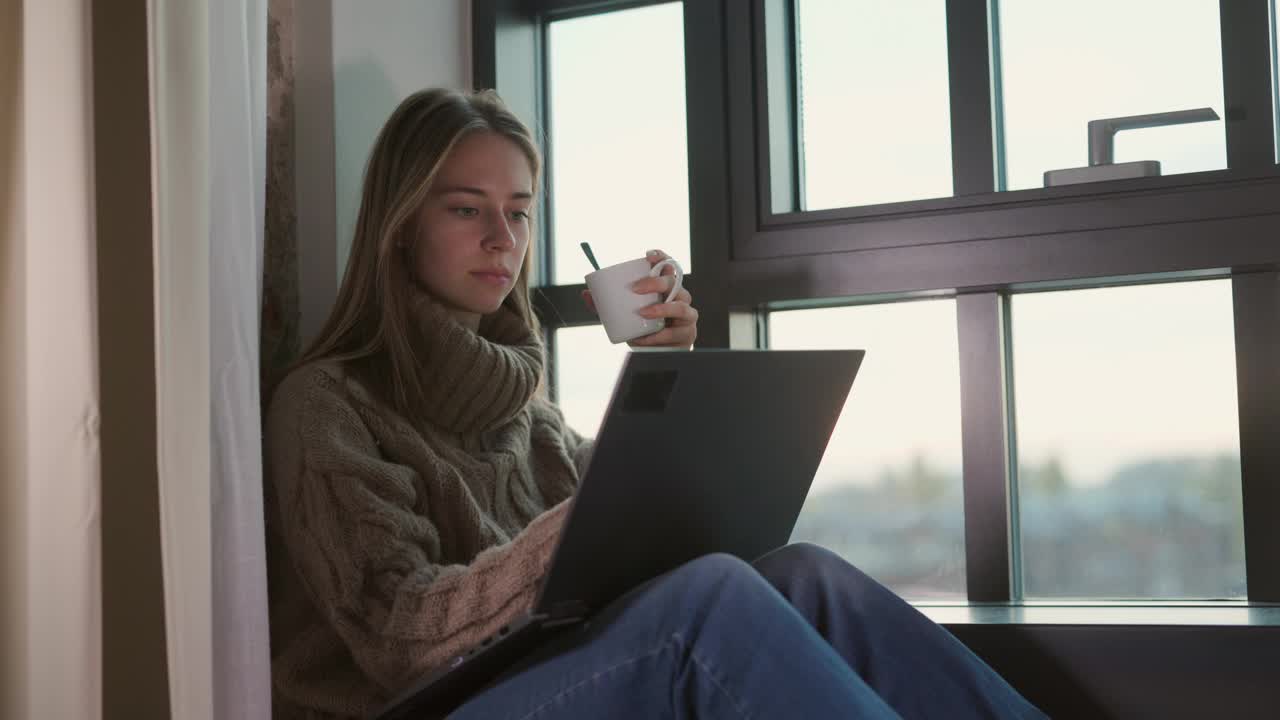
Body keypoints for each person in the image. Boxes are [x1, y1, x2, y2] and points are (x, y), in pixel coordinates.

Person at [264, 88, 1047, 720]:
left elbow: (615, 560)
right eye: (467, 208)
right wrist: (589, 524)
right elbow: (395, 637)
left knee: (807, 575)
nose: (503, 237)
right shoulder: (328, 404)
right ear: (400, 227)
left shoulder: (528, 418)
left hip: (536, 678)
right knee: (710, 601)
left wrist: (664, 389)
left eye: (520, 209)